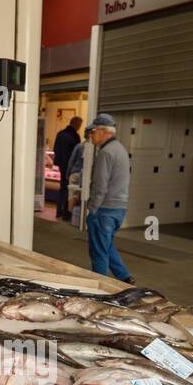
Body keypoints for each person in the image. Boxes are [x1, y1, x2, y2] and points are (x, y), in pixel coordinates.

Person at [84, 113, 133, 283]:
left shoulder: (105, 153)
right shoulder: (121, 149)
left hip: (104, 210)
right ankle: (125, 277)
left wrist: (92, 208)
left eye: (94, 131)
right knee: (106, 245)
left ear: (103, 131)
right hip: (119, 209)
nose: (92, 135)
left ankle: (100, 288)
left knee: (98, 251)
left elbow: (100, 185)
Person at [53, 116, 82, 221]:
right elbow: (74, 156)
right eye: (79, 125)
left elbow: (55, 149)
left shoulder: (60, 134)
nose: (79, 127)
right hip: (70, 167)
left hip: (61, 165)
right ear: (76, 124)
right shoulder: (74, 136)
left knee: (62, 188)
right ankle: (66, 212)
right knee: (69, 190)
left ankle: (58, 211)